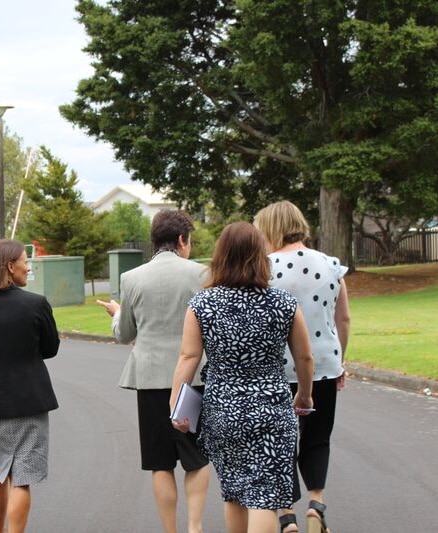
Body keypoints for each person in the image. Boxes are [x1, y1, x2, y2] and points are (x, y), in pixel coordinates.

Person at [170, 221, 314, 533]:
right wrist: (304, 394)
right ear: (261, 256)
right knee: (264, 496)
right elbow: (304, 356)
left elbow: (188, 357)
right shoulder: (283, 303)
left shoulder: (202, 304)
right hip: (272, 408)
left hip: (223, 410)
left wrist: (175, 404)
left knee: (234, 492)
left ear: (220, 256)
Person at [96, 209, 210, 533]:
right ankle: (195, 526)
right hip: (193, 380)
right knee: (196, 457)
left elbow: (124, 333)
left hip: (149, 379)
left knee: (160, 462)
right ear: (181, 240)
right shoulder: (201, 274)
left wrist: (117, 313)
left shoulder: (131, 278)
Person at [254, 201, 351, 533]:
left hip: (276, 368)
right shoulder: (330, 265)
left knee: (277, 440)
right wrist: (340, 362)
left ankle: (285, 515)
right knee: (318, 437)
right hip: (322, 362)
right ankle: (315, 503)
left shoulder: (262, 268)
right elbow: (343, 318)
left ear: (269, 228)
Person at [0, 239, 60, 533]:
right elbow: (50, 347)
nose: (28, 267)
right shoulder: (36, 304)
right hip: (30, 400)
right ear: (9, 266)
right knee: (22, 477)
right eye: (24, 262)